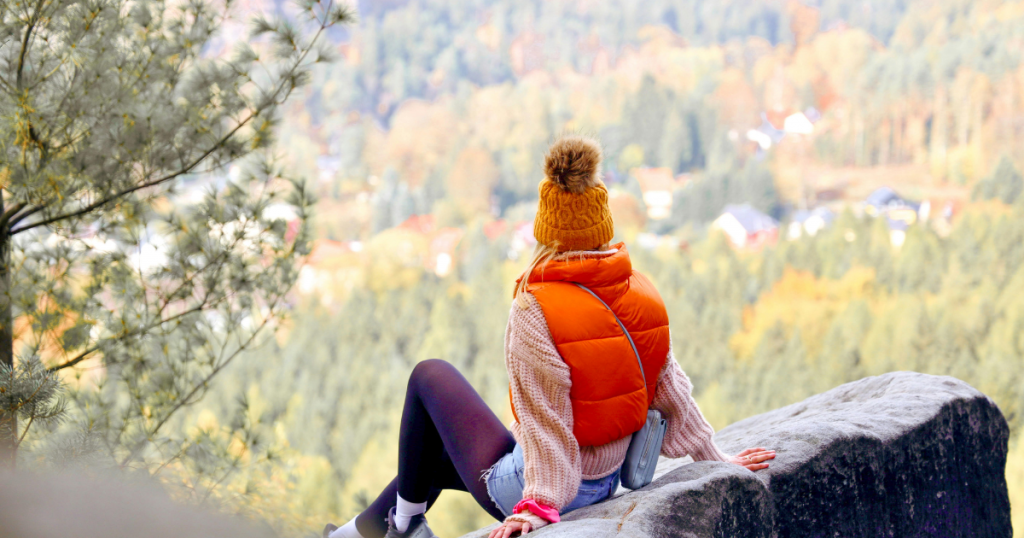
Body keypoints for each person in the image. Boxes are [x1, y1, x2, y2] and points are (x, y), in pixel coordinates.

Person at [324, 135, 775, 538]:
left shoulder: (535, 310)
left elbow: (546, 420)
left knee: (429, 377)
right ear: (602, 226)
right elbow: (670, 392)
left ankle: (400, 528)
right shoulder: (641, 293)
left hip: (553, 485)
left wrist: (537, 503)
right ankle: (358, 533)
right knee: (430, 461)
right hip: (605, 478)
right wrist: (715, 455)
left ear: (547, 231)